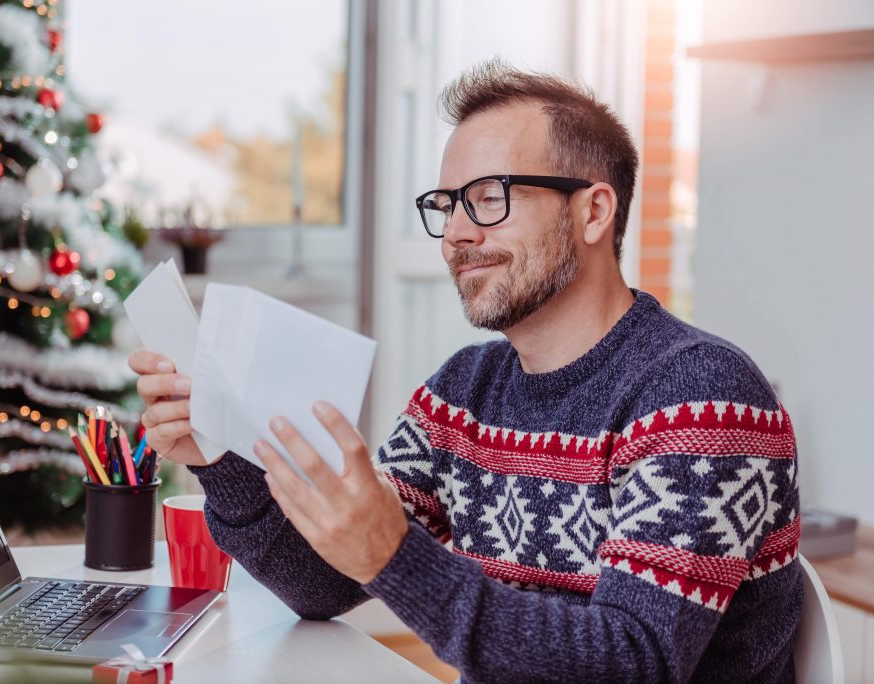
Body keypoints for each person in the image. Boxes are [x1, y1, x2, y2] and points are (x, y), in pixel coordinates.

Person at [129, 60, 801, 683]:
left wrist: (396, 555)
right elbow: (323, 585)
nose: (455, 234)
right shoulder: (464, 393)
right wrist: (217, 455)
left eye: (488, 197)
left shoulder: (700, 398)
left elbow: (635, 662)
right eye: (447, 205)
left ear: (593, 210)